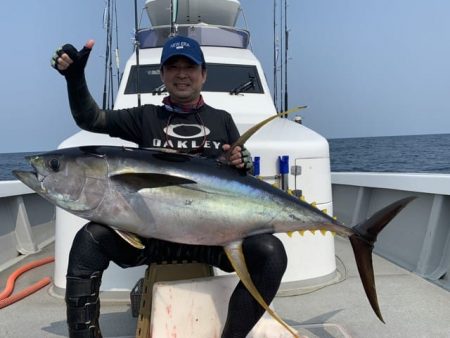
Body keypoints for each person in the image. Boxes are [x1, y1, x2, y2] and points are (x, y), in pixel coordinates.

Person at [52, 35, 287, 338]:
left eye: (189, 66)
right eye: (172, 67)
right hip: (152, 238)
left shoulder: (223, 119)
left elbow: (239, 176)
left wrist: (242, 160)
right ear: (162, 75)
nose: (181, 74)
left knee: (271, 252)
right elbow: (92, 119)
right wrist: (74, 78)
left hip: (211, 240)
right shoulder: (145, 116)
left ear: (203, 74)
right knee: (89, 240)